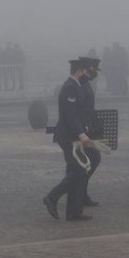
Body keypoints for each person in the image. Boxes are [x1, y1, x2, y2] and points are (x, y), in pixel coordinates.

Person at [43, 59, 94, 221]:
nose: (88, 74)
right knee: (78, 171)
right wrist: (82, 134)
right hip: (68, 137)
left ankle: (74, 212)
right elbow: (70, 115)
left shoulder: (76, 86)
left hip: (74, 136)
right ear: (79, 70)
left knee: (76, 172)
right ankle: (51, 197)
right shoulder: (70, 88)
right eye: (86, 71)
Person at [78, 56, 103, 207]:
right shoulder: (81, 84)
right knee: (91, 160)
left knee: (91, 160)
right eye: (93, 69)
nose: (95, 73)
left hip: (88, 128)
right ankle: (75, 192)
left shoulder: (86, 83)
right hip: (82, 130)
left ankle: (81, 192)